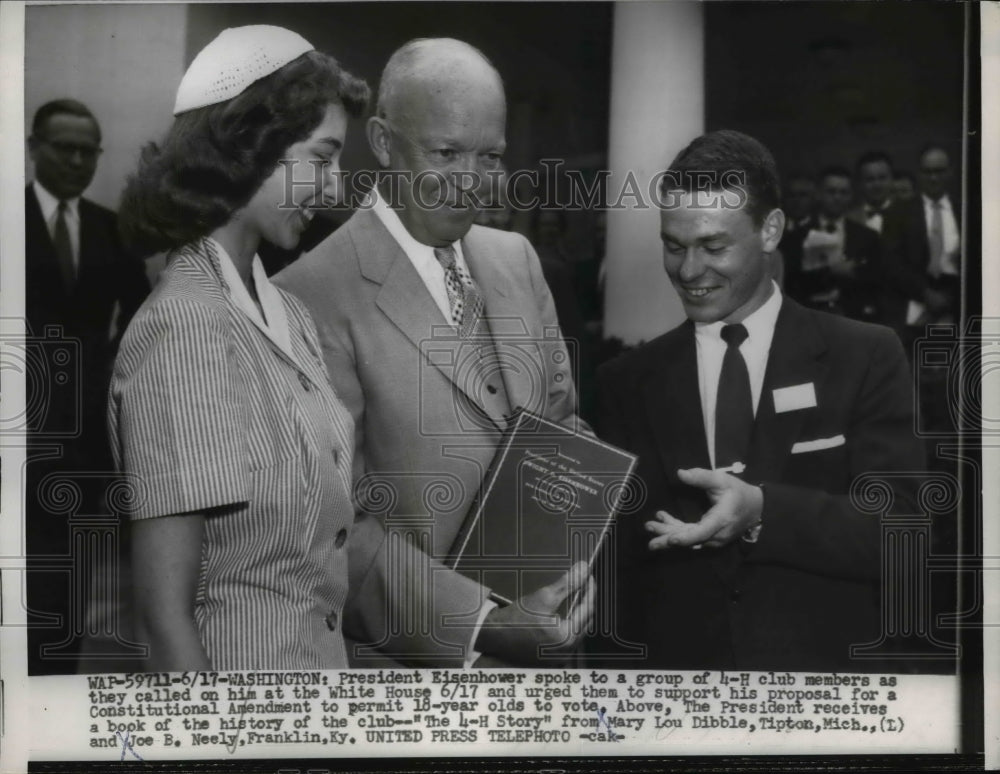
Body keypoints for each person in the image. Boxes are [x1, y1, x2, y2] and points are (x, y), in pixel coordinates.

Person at [109, 25, 460, 671]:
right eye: (322, 158)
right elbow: (165, 618)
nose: (332, 190)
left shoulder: (289, 315)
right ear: (252, 147)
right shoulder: (187, 326)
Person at [275, 38, 593, 667]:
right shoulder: (306, 296)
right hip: (418, 672)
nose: (472, 184)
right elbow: (329, 527)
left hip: (553, 652)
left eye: (492, 157)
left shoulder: (517, 259)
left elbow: (562, 428)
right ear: (385, 143)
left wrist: (575, 566)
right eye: (447, 154)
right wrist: (483, 624)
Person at [595, 130, 924, 672]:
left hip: (822, 689)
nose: (688, 271)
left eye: (713, 246)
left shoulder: (864, 355)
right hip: (674, 705)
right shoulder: (625, 381)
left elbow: (901, 532)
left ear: (770, 230)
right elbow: (617, 567)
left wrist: (764, 510)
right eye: (673, 246)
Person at [25, 99, 149, 674]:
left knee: (68, 580)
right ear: (34, 147)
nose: (77, 160)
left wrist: (105, 370)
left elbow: (141, 314)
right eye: (64, 147)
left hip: (82, 438)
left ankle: (51, 692)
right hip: (14, 430)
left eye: (88, 151)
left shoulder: (110, 228)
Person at [782, 165, 883, 323]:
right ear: (819, 194)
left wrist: (854, 272)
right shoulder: (796, 238)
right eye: (831, 191)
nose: (837, 197)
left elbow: (876, 280)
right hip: (808, 319)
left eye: (843, 192)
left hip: (852, 319)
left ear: (851, 196)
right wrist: (830, 271)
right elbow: (791, 282)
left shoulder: (867, 237)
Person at [881, 144, 961, 338]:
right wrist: (925, 293)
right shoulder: (898, 212)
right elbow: (891, 262)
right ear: (919, 173)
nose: (934, 178)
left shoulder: (966, 211)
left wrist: (952, 298)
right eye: (928, 172)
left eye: (940, 171)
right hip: (912, 304)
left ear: (951, 172)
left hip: (957, 306)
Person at [847, 150, 901, 235]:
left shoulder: (907, 215)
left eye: (882, 178)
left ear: (892, 180)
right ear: (860, 183)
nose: (877, 185)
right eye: (870, 179)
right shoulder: (849, 219)